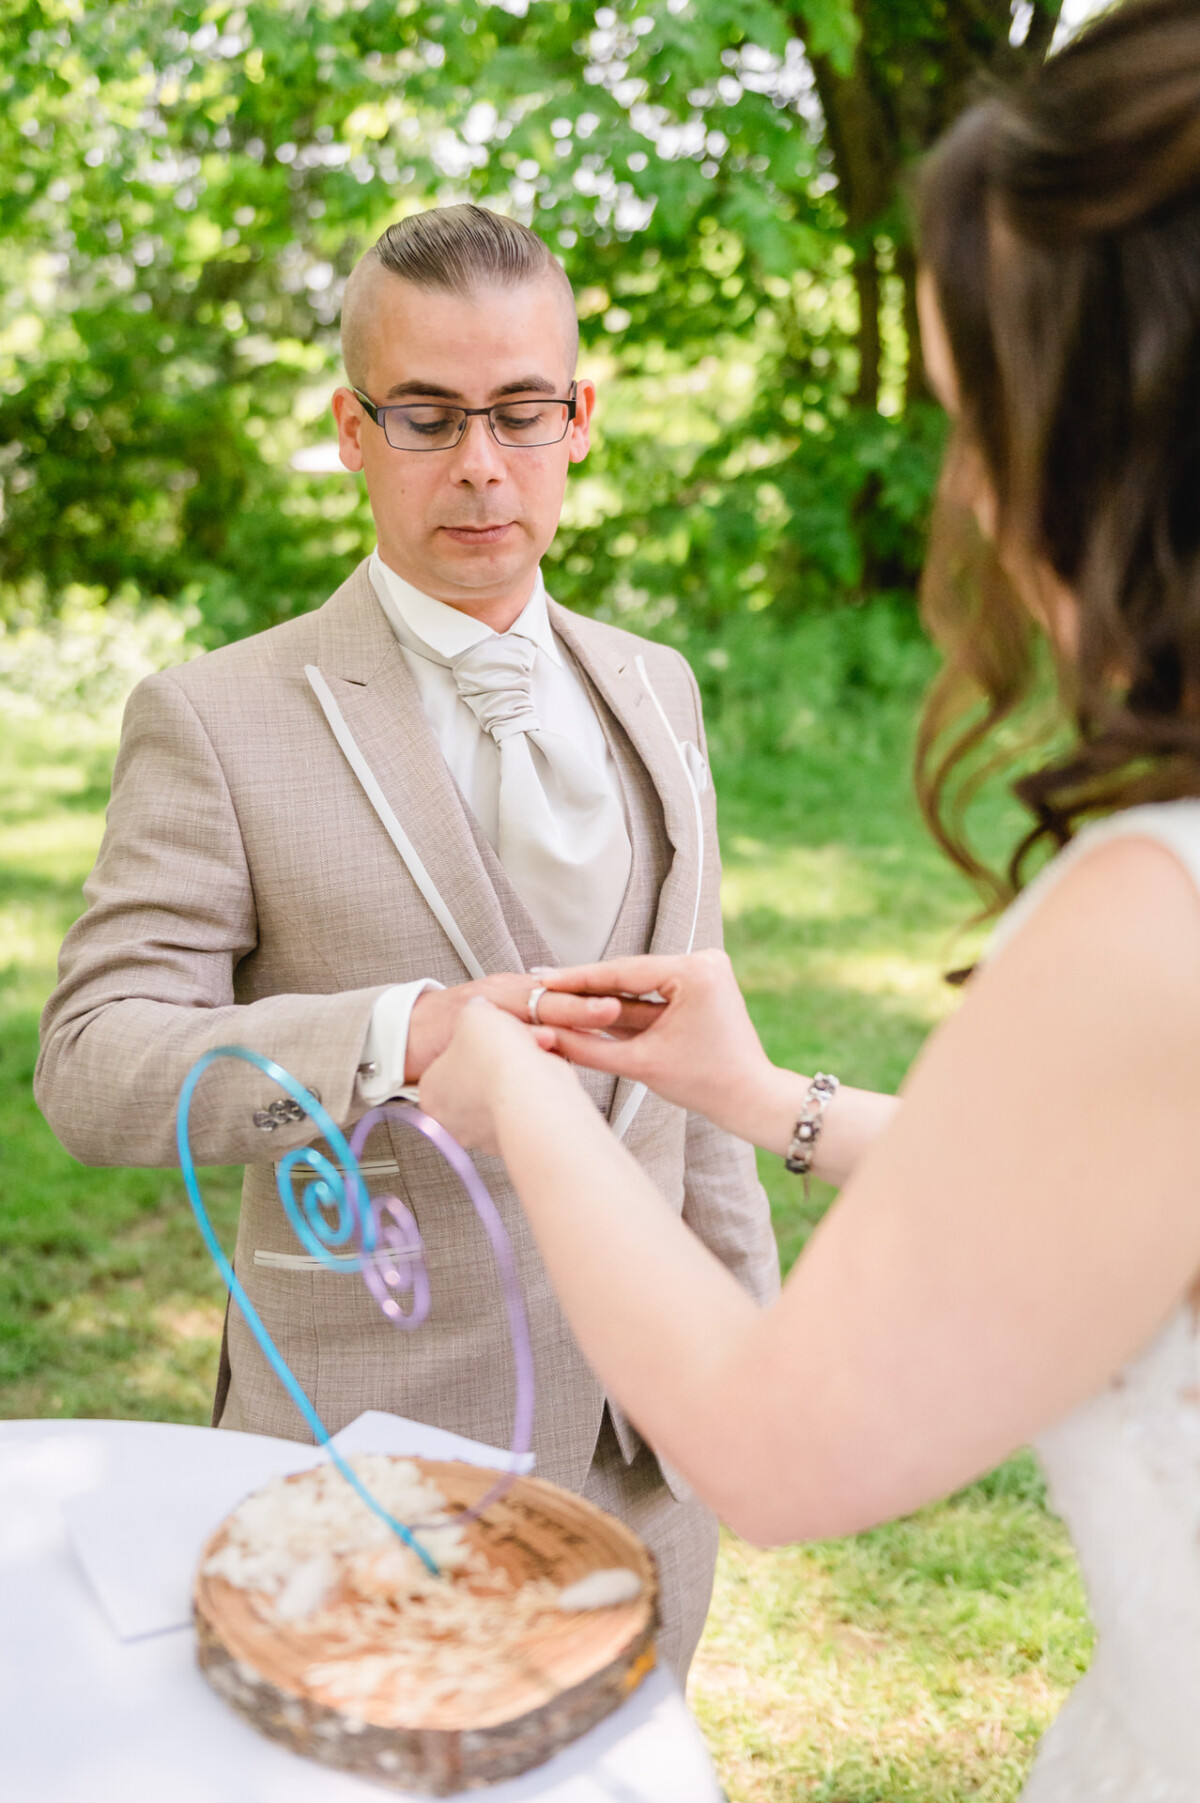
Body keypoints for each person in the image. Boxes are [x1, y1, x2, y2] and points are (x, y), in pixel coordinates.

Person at [416, 2, 1200, 1793]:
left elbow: (776, 1451)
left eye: (970, 412)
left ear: (1107, 446)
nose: (963, 489)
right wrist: (773, 1102)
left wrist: (529, 1101)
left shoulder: (1153, 906)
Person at [34, 204, 779, 1680]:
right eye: (428, 417)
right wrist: (401, 1034)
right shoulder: (219, 720)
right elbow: (92, 1066)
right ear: (352, 432)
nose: (482, 465)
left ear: (582, 420)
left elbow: (695, 1085)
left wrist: (743, 1364)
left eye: (519, 411)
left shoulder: (659, 688)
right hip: (366, 1467)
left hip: (651, 1462)